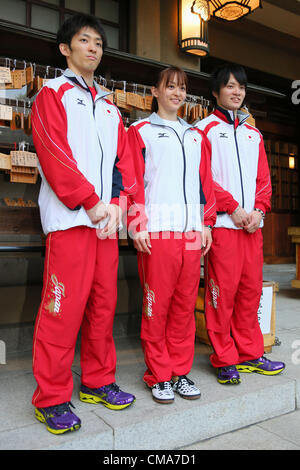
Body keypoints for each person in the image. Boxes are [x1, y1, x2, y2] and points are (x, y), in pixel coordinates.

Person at [31, 13, 137, 434]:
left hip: (105, 223)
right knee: (62, 310)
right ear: (65, 48)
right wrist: (90, 202)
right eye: (84, 40)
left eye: (98, 43)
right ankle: (52, 398)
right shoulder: (51, 94)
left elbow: (122, 160)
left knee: (102, 306)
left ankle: (97, 381)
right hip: (71, 220)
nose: (93, 48)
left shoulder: (110, 104)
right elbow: (54, 154)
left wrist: (113, 203)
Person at [127, 66, 216, 404]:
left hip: (192, 231)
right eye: (170, 87)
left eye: (182, 88)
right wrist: (136, 224)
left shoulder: (196, 136)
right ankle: (158, 375)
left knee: (183, 306)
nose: (177, 94)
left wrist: (206, 223)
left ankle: (180, 372)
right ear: (155, 91)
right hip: (159, 230)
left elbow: (204, 184)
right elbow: (132, 180)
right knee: (157, 306)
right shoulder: (140, 131)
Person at [196, 63, 285, 385]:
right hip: (223, 226)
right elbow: (204, 178)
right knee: (222, 294)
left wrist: (259, 210)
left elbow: (264, 178)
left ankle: (250, 353)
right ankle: (224, 357)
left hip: (252, 228)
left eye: (241, 87)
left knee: (250, 293)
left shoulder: (253, 133)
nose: (237, 92)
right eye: (230, 86)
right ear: (216, 91)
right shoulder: (203, 130)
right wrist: (233, 209)